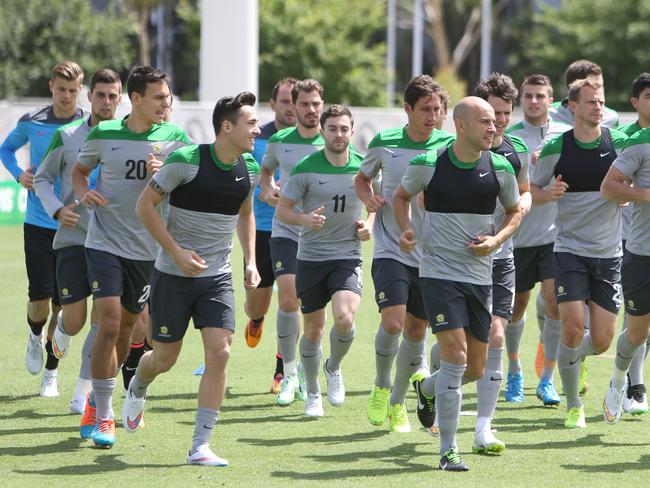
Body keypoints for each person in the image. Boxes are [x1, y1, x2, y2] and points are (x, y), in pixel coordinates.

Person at [123, 91, 261, 466]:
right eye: (251, 122)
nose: (257, 129)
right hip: (172, 275)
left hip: (216, 278)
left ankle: (200, 445)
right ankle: (138, 383)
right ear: (227, 126)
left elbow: (246, 213)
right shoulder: (185, 160)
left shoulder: (249, 166)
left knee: (221, 352)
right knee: (165, 357)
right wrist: (176, 253)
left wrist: (250, 260)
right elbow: (144, 206)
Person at [396, 97, 522, 471]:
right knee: (455, 356)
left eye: (494, 122)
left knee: (476, 368)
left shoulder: (500, 167)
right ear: (461, 125)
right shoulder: (428, 163)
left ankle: (427, 388)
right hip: (437, 274)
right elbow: (401, 197)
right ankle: (448, 450)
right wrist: (406, 228)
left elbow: (515, 211)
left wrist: (496, 241)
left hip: (480, 279)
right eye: (484, 121)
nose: (493, 127)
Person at [71, 65, 190, 449]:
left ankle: (96, 399)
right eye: (157, 96)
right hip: (103, 242)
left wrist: (169, 172)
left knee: (125, 330)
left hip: (147, 251)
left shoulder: (175, 138)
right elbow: (79, 172)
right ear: (135, 99)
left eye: (167, 97)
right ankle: (104, 414)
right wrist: (83, 193)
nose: (165, 103)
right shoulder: (104, 134)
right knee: (106, 323)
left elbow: (189, 184)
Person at [355, 75, 454, 433]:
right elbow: (362, 178)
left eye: (437, 109)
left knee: (416, 329)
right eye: (425, 109)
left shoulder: (449, 145)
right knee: (393, 322)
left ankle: (398, 401)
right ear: (407, 110)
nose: (432, 116)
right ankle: (381, 384)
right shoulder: (384, 142)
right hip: (390, 247)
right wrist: (368, 198)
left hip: (430, 254)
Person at [530, 78, 627, 429]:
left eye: (601, 101)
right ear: (572, 107)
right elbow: (532, 188)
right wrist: (549, 191)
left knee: (601, 341)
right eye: (590, 102)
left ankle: (575, 360)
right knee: (571, 327)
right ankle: (574, 405)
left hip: (608, 253)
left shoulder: (618, 142)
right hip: (569, 249)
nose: (598, 107)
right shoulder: (557, 147)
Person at [33, 69, 122, 416]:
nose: (106, 102)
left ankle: (82, 394)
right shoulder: (67, 135)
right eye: (100, 95)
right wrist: (57, 211)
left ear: (120, 99)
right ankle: (60, 340)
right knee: (74, 319)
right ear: (90, 96)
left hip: (112, 242)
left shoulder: (128, 136)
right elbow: (42, 179)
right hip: (72, 239)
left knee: (104, 322)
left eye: (113, 96)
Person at [276, 104, 372, 417]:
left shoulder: (363, 168)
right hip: (311, 258)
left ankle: (334, 367)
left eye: (344, 129)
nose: (339, 135)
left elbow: (375, 204)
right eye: (332, 129)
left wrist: (367, 225)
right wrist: (304, 219)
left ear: (352, 132)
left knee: (345, 319)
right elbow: (283, 209)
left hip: (346, 255)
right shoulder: (306, 167)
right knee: (314, 330)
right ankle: (313, 393)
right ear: (323, 131)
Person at [0, 61, 85, 396]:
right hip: (38, 221)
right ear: (51, 86)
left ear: (81, 91)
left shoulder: (89, 125)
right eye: (61, 89)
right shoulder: (31, 122)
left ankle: (51, 372)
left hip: (76, 226)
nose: (66, 96)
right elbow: (5, 149)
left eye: (73, 90)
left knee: (63, 305)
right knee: (40, 298)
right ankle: (34, 336)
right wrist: (19, 174)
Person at [469, 73, 530, 453]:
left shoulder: (515, 149)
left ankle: (483, 428)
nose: (501, 121)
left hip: (502, 255)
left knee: (495, 334)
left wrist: (521, 208)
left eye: (507, 113)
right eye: (494, 112)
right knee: (458, 347)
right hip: (459, 258)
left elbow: (524, 194)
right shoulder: (452, 149)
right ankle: (433, 385)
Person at [506, 74, 571, 406]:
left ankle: (547, 379)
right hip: (517, 238)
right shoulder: (510, 138)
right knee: (516, 307)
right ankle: (514, 369)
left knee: (554, 301)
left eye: (540, 96)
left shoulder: (564, 135)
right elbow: (512, 191)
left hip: (554, 237)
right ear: (521, 100)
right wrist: (541, 189)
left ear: (551, 100)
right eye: (528, 96)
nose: (533, 101)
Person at [259, 79, 325, 406]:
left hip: (324, 239)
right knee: (287, 300)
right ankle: (289, 373)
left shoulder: (334, 140)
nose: (311, 110)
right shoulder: (279, 141)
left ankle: (311, 369)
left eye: (316, 104)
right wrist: (268, 191)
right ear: (292, 107)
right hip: (285, 230)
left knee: (313, 311)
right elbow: (265, 175)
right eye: (305, 104)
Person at [244, 77, 296, 394]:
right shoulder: (256, 138)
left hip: (294, 232)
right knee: (257, 304)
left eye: (297, 101)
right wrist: (263, 189)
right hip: (261, 230)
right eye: (286, 101)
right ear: (273, 105)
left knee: (290, 303)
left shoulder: (311, 140)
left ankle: (282, 371)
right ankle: (257, 318)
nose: (292, 108)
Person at [601, 123, 650, 424]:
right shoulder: (641, 143)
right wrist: (644, 193)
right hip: (643, 254)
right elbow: (609, 186)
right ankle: (619, 380)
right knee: (637, 333)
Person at [613, 73, 650, 415]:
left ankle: (635, 386)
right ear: (634, 101)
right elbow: (607, 183)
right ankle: (630, 381)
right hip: (630, 240)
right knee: (637, 324)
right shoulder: (625, 138)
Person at [550, 59, 619, 128]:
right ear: (574, 87)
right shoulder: (550, 114)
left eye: (601, 85)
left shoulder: (611, 118)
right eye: (592, 85)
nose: (598, 89)